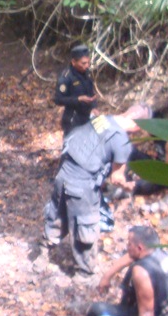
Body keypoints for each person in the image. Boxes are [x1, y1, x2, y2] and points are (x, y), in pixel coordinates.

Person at [43, 110, 144, 274]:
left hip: (64, 172)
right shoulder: (122, 141)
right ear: (137, 125)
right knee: (85, 226)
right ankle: (85, 273)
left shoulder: (102, 119)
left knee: (58, 214)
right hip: (82, 185)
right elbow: (116, 178)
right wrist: (130, 186)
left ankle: (42, 252)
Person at [53, 43, 98, 136]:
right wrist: (78, 99)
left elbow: (91, 92)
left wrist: (94, 107)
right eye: (83, 63)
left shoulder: (87, 73)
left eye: (88, 63)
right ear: (74, 62)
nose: (87, 66)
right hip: (73, 119)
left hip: (87, 116)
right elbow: (58, 99)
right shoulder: (66, 78)